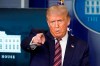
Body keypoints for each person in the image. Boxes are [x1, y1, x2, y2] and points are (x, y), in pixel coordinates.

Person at [21, 5, 89, 66]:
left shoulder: (81, 46)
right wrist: (34, 42)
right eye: (52, 22)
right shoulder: (40, 37)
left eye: (60, 21)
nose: (56, 26)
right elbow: (25, 45)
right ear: (48, 23)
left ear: (68, 21)